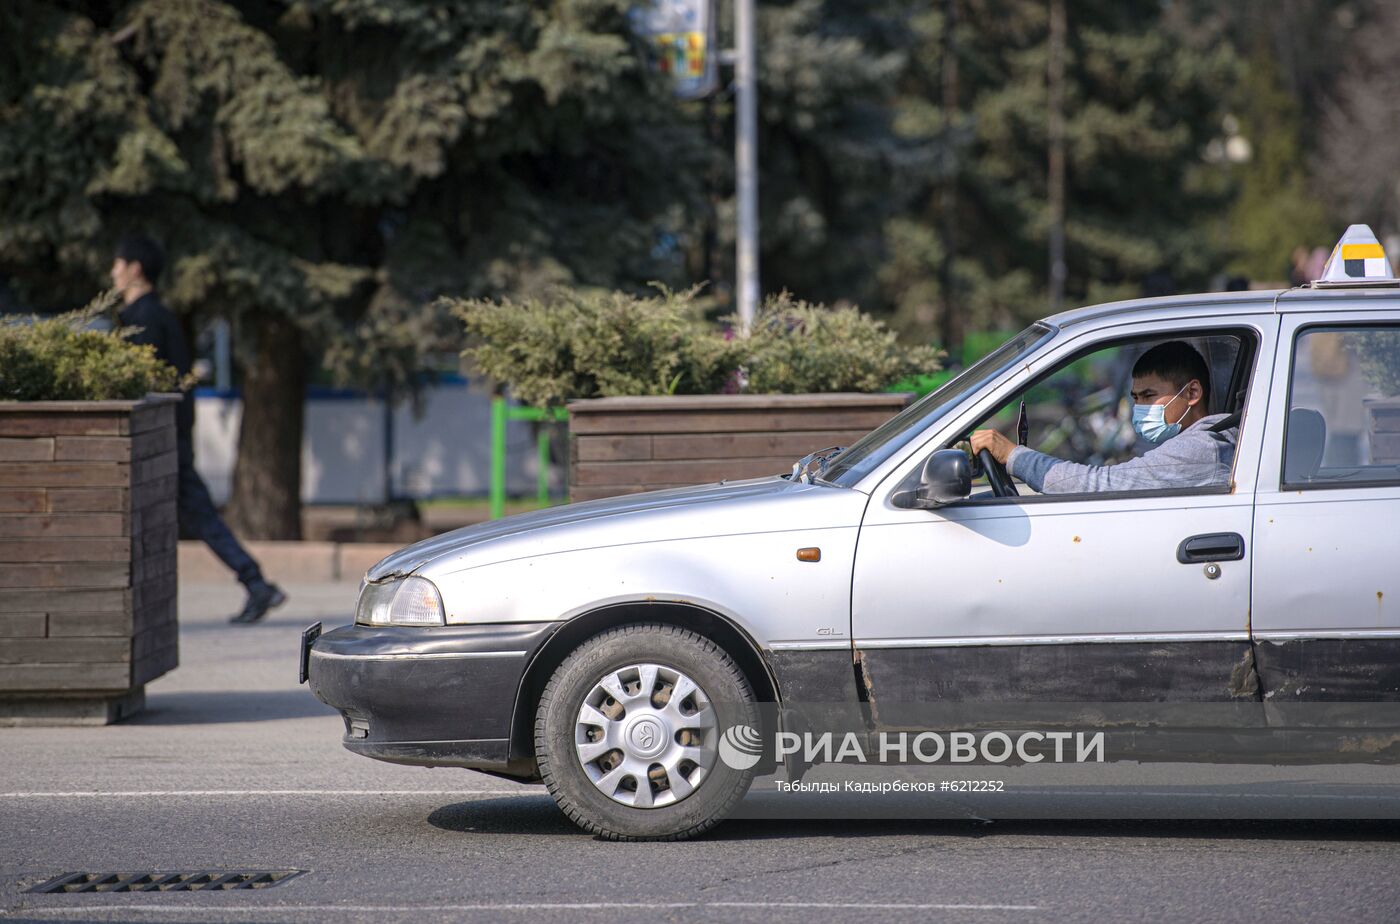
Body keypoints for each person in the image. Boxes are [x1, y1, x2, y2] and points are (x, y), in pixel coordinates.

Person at [111, 234, 287, 624]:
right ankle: (255, 582)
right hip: (169, 438)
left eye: (118, 265)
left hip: (157, 441)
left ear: (135, 269)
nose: (113, 272)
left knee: (186, 516)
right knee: (193, 515)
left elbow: (147, 383)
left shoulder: (144, 320)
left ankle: (255, 583)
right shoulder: (158, 315)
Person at [970, 341, 1238, 494]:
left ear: (1192, 392)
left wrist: (1015, 456)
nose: (1141, 407)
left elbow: (1100, 484)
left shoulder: (1199, 449)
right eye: (1135, 398)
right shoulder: (1189, 443)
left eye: (1149, 395)